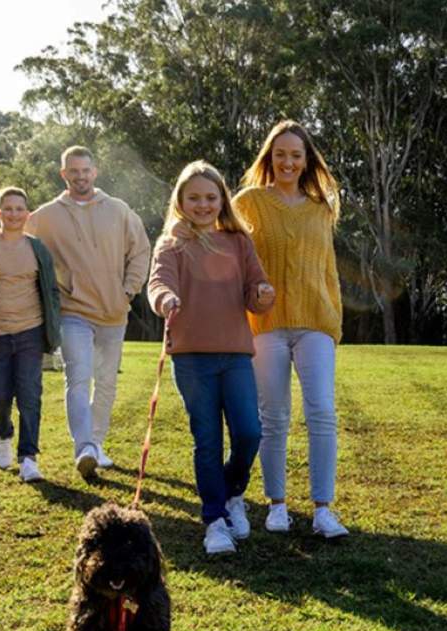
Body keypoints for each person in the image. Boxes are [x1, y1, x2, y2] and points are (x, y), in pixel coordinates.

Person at [0, 146, 152, 479]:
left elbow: (141, 249)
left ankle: (97, 443)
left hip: (114, 311)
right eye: (74, 171)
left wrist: (129, 289)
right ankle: (84, 447)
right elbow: (15, 230)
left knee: (107, 383)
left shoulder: (118, 210)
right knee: (78, 378)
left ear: (95, 172)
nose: (80, 176)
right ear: (64, 174)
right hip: (73, 311)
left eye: (85, 170)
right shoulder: (47, 214)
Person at [149, 161, 276, 554]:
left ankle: (231, 493)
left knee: (249, 432)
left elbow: (256, 284)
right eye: (194, 198)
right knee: (206, 439)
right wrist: (164, 299)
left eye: (210, 197)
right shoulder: (172, 244)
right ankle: (214, 521)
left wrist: (262, 293)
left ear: (222, 199)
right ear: (181, 201)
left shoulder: (238, 241)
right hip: (191, 359)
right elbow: (158, 281)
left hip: (236, 355)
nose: (203, 204)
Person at [234, 121, 348, 539]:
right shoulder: (249, 203)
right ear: (269, 157)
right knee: (274, 415)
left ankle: (323, 509)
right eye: (280, 154)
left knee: (322, 410)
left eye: (296, 155)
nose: (288, 161)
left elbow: (329, 269)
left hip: (315, 322)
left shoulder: (322, 208)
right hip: (265, 324)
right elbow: (233, 258)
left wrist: (333, 321)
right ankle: (277, 505)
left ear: (306, 160)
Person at [0, 187, 63, 482]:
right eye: (8, 209)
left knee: (30, 396)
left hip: (31, 333)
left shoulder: (38, 248)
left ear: (27, 214)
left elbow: (52, 291)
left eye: (20, 209)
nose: (14, 214)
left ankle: (28, 457)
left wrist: (50, 326)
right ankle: (4, 436)